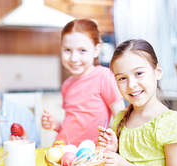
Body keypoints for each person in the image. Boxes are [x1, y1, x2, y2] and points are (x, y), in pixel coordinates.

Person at [97, 39, 177, 166]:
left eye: (138, 73)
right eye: (122, 78)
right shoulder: (121, 117)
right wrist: (113, 149)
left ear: (157, 72)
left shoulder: (170, 121)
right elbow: (123, 163)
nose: (131, 84)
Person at [42, 19, 125, 147]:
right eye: (67, 50)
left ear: (96, 50)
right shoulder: (67, 85)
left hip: (90, 155)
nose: (74, 59)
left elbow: (121, 118)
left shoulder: (104, 76)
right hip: (63, 148)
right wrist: (57, 125)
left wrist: (115, 146)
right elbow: (74, 123)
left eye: (82, 51)